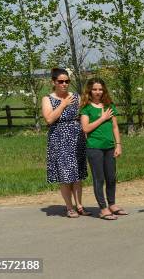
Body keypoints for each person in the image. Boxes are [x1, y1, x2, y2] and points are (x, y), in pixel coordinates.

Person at [41, 68, 89, 218]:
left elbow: (82, 116)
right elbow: (49, 119)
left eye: (67, 81)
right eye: (60, 81)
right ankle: (69, 207)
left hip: (76, 136)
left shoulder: (76, 97)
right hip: (59, 138)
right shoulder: (48, 99)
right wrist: (62, 104)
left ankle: (79, 205)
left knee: (77, 174)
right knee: (65, 174)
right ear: (53, 82)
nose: (64, 84)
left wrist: (86, 133)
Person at [80, 78, 127, 220]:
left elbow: (114, 126)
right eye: (94, 89)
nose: (97, 92)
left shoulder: (109, 105)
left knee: (111, 177)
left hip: (109, 147)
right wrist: (102, 118)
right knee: (99, 178)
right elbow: (85, 128)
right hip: (94, 148)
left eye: (100, 89)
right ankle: (103, 208)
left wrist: (118, 144)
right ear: (89, 91)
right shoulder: (86, 108)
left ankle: (112, 204)